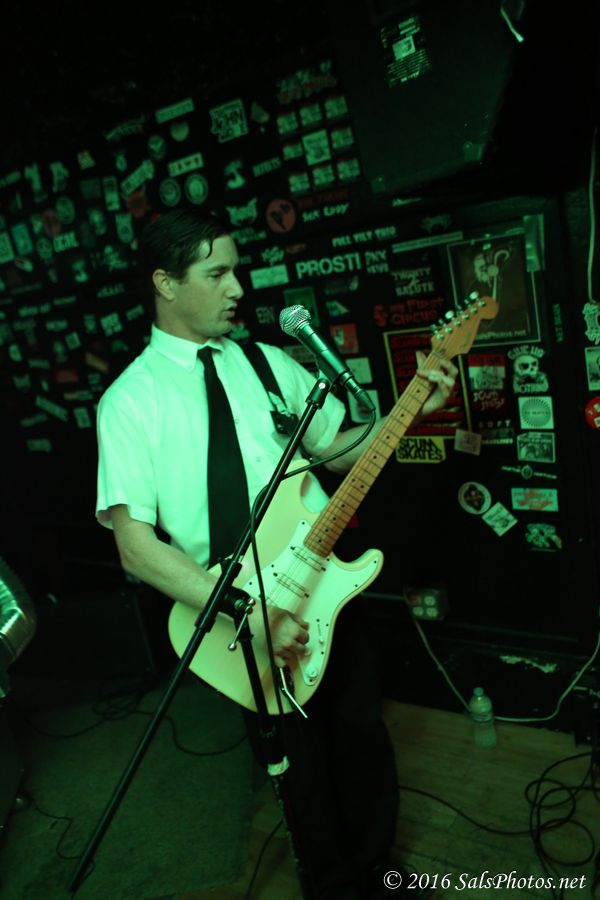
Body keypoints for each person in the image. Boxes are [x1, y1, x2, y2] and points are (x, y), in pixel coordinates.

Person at [95, 209, 457, 899]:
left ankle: (380, 872)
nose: (238, 288)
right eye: (217, 274)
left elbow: (337, 451)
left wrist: (410, 411)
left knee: (362, 735)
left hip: (328, 584)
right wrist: (248, 611)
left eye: (237, 271)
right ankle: (333, 886)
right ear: (166, 283)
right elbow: (136, 551)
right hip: (240, 615)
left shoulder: (266, 362)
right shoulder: (129, 403)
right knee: (300, 768)